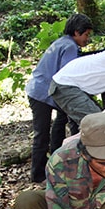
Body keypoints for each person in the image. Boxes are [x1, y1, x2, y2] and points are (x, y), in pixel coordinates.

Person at [26, 13, 93, 183]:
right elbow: (68, 74)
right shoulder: (70, 47)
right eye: (86, 35)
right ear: (77, 32)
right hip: (43, 92)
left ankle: (54, 163)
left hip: (41, 89)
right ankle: (39, 174)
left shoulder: (63, 42)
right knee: (42, 133)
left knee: (60, 120)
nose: (87, 39)